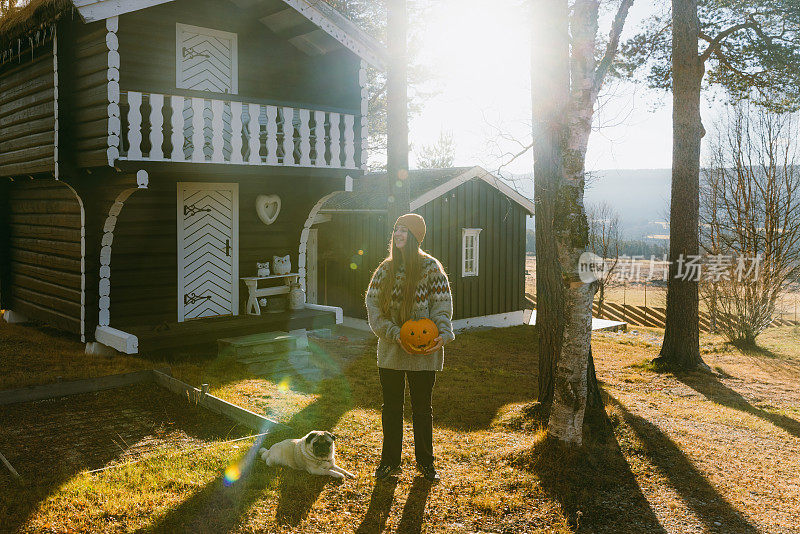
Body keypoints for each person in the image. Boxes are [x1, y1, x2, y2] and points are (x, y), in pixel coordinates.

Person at [365, 213, 454, 482]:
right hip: (392, 351)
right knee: (391, 408)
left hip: (424, 352)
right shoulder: (385, 269)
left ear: (415, 236)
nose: (398, 234)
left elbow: (441, 306)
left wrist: (444, 334)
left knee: (422, 409)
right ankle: (390, 462)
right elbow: (372, 308)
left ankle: (426, 463)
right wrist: (395, 334)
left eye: (404, 230)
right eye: (396, 230)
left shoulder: (431, 268)